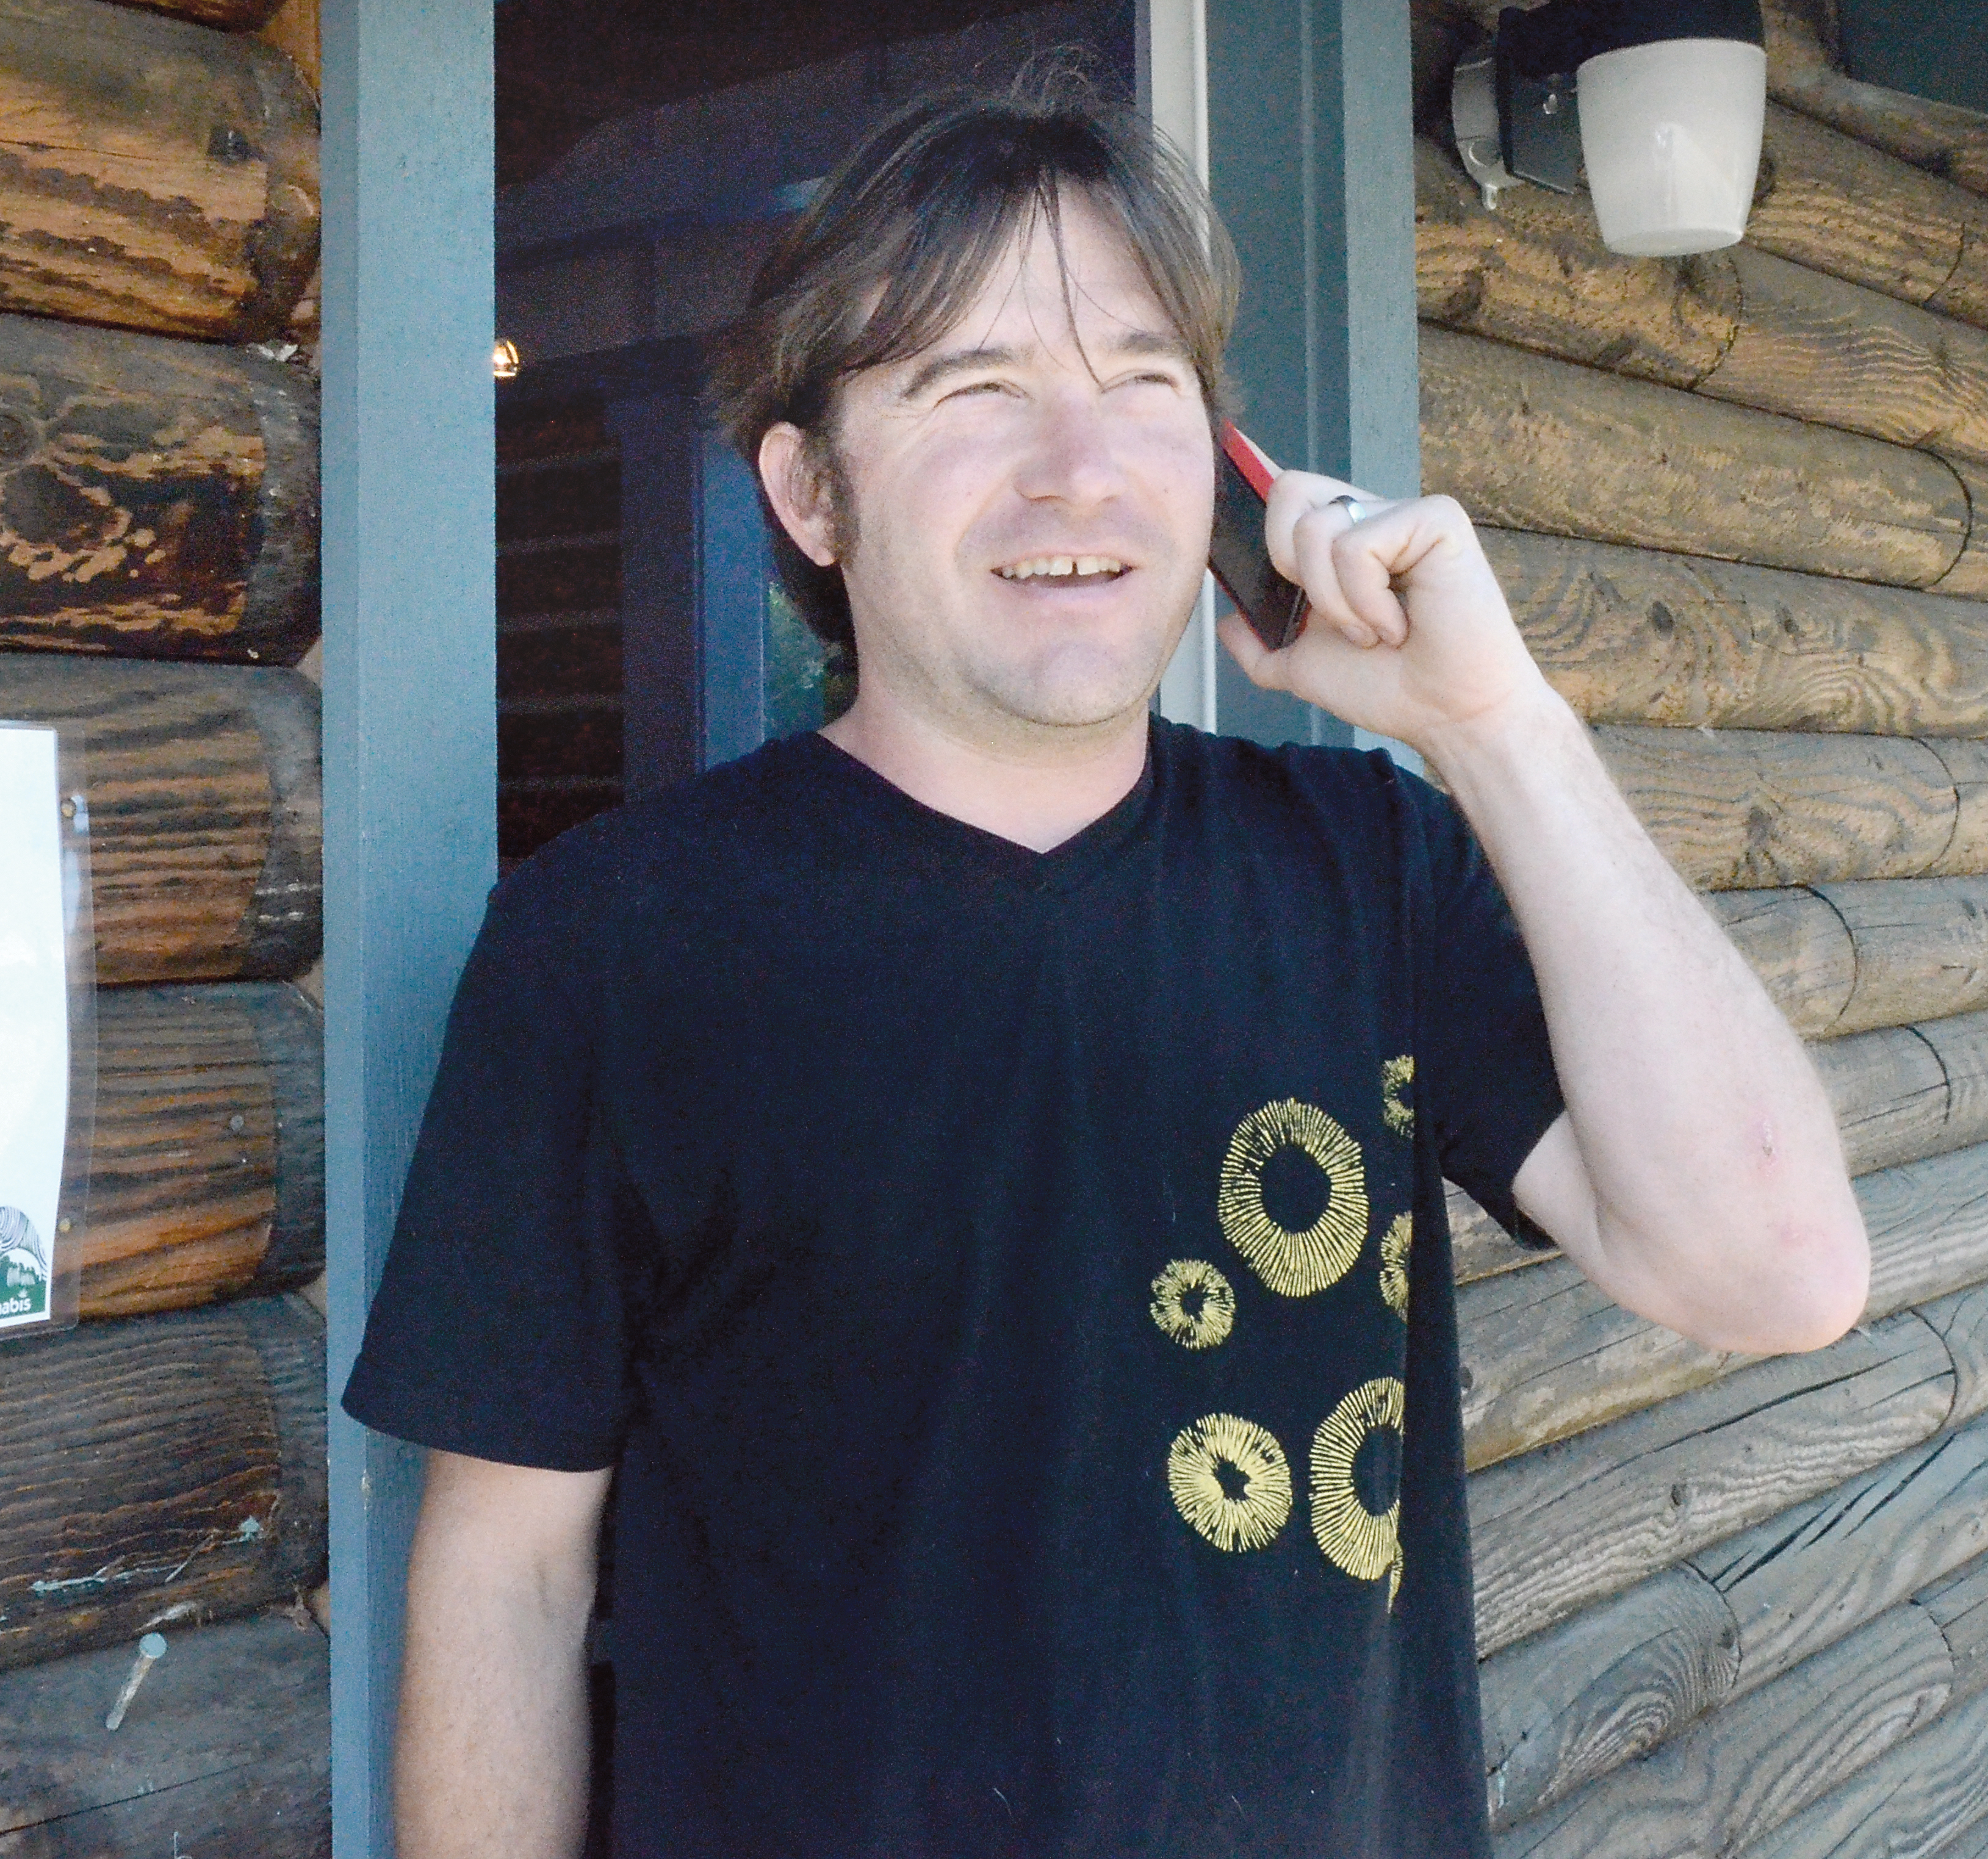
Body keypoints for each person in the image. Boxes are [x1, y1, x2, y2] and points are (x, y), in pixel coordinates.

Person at [342, 72, 1869, 1859]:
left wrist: (1494, 725)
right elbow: (506, 1571)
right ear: (810, 493)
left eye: (1141, 385)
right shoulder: (612, 938)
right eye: (969, 388)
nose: (1075, 472)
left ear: (1221, 470)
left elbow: (1774, 1273)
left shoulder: (1369, 870)